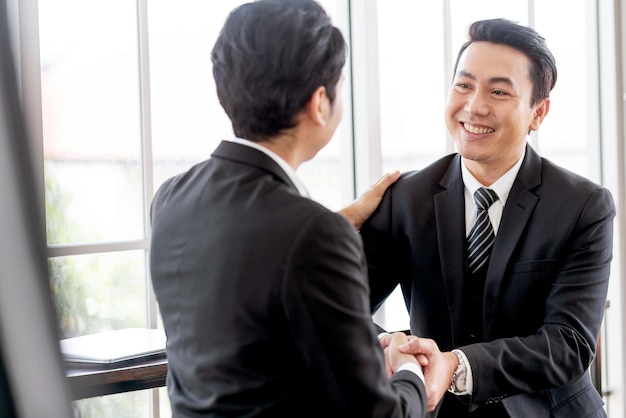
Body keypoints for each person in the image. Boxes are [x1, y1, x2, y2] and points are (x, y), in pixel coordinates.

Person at [149, 0, 427, 416]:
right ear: (319, 102)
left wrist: (339, 220)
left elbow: (246, 274)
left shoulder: (171, 197)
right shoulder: (312, 236)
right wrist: (412, 374)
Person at [359, 18, 615, 417]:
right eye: (463, 85)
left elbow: (569, 344)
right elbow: (342, 307)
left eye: (498, 91)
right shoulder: (403, 198)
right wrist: (395, 349)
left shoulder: (584, 206)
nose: (474, 106)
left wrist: (458, 365)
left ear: (538, 112)